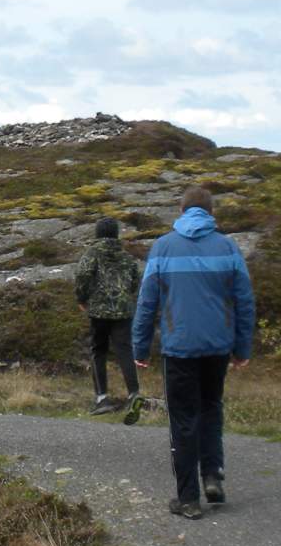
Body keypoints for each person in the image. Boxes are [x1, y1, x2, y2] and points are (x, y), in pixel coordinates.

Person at [131, 187, 255, 520]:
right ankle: (212, 475)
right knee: (211, 408)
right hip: (217, 346)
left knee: (184, 420)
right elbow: (244, 301)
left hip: (179, 348)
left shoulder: (163, 247)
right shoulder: (228, 246)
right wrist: (242, 348)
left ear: (182, 210)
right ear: (211, 211)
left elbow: (147, 303)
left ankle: (188, 499)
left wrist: (140, 348)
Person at [73, 216, 144, 424]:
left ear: (97, 233)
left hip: (98, 311)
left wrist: (82, 298)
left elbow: (82, 274)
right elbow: (134, 279)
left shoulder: (93, 253)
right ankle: (134, 393)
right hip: (123, 310)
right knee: (124, 350)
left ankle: (102, 397)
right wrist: (126, 297)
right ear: (116, 234)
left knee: (98, 351)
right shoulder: (125, 256)